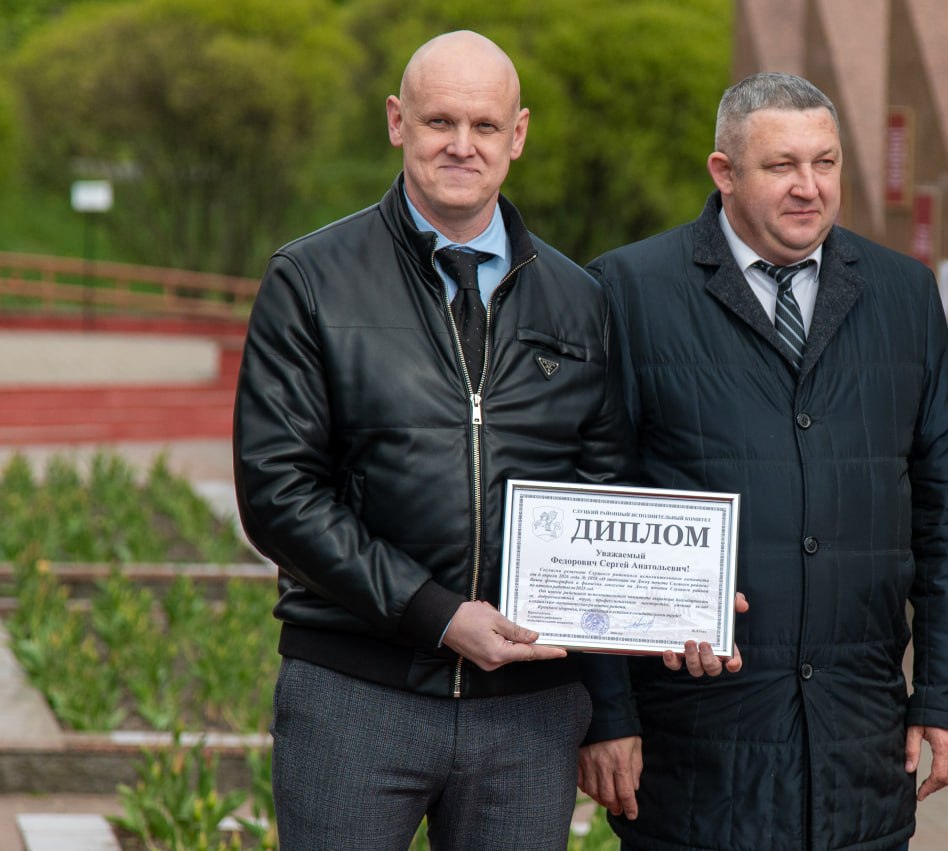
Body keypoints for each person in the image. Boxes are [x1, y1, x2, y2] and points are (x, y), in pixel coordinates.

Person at [233, 31, 730, 851]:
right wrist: (437, 616)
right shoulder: (311, 279)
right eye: (439, 121)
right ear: (397, 122)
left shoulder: (578, 299)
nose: (462, 144)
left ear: (518, 135)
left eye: (485, 125)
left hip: (528, 715)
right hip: (355, 693)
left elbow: (603, 491)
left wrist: (679, 601)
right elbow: (277, 493)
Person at [579, 72, 948, 851]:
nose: (809, 187)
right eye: (782, 166)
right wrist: (606, 714)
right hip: (696, 754)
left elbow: (946, 513)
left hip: (858, 746)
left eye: (825, 163)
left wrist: (946, 694)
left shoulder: (905, 294)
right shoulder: (629, 291)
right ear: (724, 172)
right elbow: (594, 502)